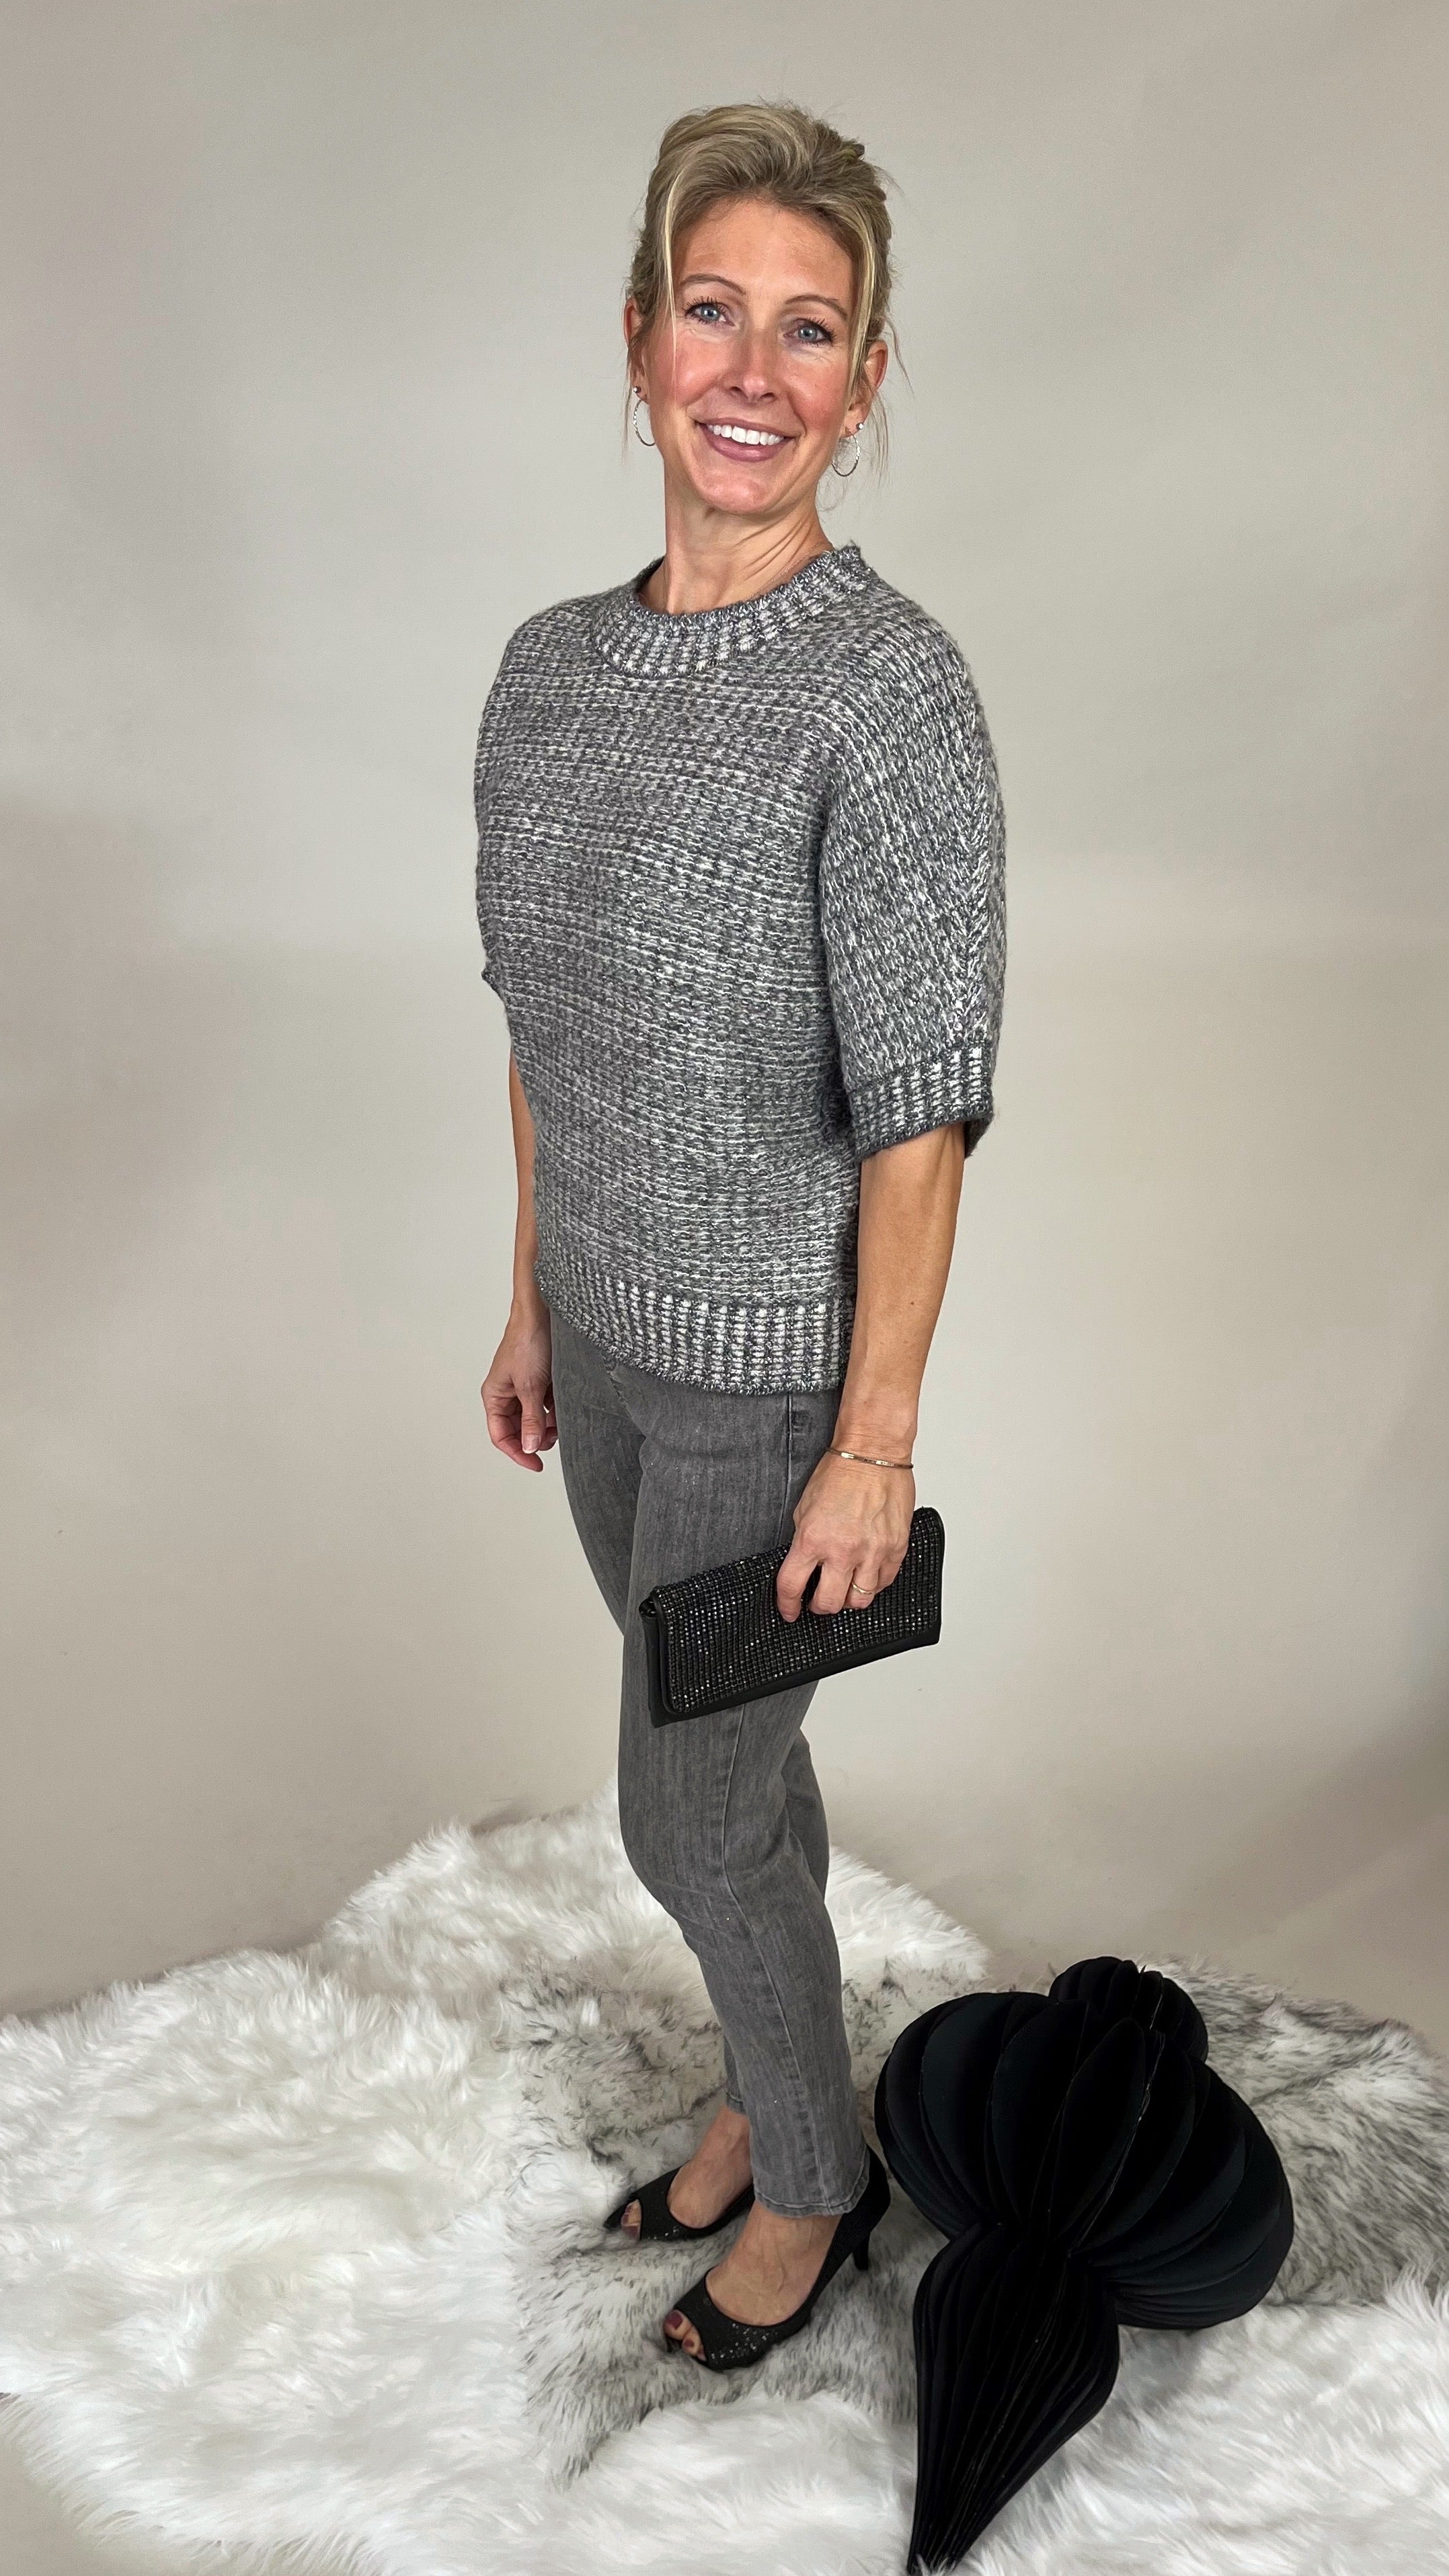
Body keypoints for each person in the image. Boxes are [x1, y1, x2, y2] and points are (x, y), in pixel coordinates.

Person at [474, 101, 1005, 2372]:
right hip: (602, 1349)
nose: (753, 369)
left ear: (863, 382)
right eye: (714, 310)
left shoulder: (885, 695)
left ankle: (809, 2176)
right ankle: (763, 2088)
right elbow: (538, 1025)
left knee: (686, 1820)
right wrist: (528, 1301)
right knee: (740, 1788)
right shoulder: (546, 674)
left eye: (810, 328)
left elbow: (921, 1116)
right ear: (638, 340)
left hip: (772, 1380)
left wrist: (871, 1443)